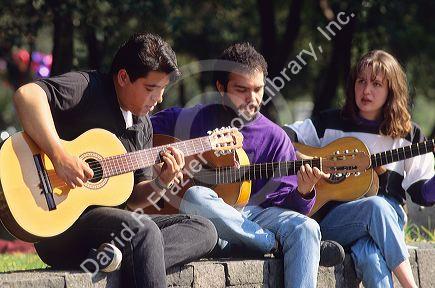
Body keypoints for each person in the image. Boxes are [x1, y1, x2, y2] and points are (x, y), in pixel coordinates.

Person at [13, 32, 217, 288]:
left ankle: (122, 259)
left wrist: (162, 182)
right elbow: (27, 95)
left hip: (113, 230)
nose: (159, 100)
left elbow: (133, 197)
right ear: (123, 77)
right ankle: (133, 257)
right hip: (60, 226)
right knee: (144, 232)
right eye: (151, 89)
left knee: (204, 228)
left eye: (163, 90)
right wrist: (60, 156)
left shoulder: (143, 126)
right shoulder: (88, 87)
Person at [150, 43, 345, 288]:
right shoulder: (191, 119)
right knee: (195, 195)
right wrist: (167, 162)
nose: (252, 99)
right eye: (242, 90)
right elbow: (143, 131)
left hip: (259, 214)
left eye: (258, 90)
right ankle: (268, 243)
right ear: (221, 88)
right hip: (213, 218)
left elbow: (289, 206)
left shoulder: (275, 136)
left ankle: (251, 239)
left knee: (306, 227)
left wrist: (304, 191)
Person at [284, 50, 435, 288]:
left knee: (371, 256)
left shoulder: (410, 135)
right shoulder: (330, 122)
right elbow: (281, 137)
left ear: (391, 90)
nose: (366, 91)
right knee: (376, 205)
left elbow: (423, 194)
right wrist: (299, 156)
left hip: (387, 229)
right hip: (336, 223)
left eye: (376, 84)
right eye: (361, 81)